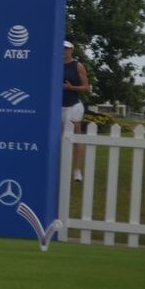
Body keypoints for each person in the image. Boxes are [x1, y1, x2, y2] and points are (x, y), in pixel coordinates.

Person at [62, 39, 90, 182]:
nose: (64, 51)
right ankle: (58, 168)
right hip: (57, 107)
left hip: (73, 105)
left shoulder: (77, 65)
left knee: (75, 139)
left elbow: (86, 88)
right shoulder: (53, 64)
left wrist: (71, 87)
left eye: (66, 48)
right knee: (58, 139)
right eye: (62, 48)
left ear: (71, 50)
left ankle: (77, 170)